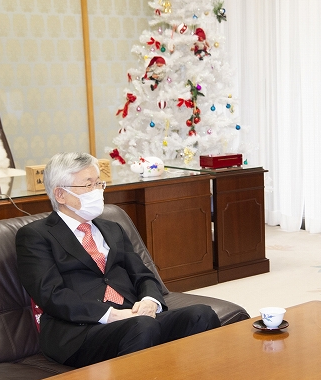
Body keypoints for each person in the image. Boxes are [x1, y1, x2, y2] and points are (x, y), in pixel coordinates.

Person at [16, 152, 221, 367]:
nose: (97, 191)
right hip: (80, 331)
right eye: (88, 185)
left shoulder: (112, 228)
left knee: (202, 314)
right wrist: (110, 315)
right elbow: (51, 294)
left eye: (99, 183)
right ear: (60, 194)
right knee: (142, 327)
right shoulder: (35, 236)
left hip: (133, 316)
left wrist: (150, 301)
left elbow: (143, 275)